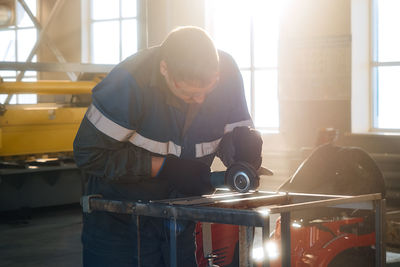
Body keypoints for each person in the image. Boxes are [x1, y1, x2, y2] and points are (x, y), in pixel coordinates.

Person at [73, 26, 263, 267]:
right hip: (120, 221)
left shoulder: (227, 73)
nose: (200, 100)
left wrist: (243, 153)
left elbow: (233, 131)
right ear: (165, 70)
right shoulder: (128, 84)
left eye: (207, 90)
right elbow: (88, 153)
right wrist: (164, 168)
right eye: (190, 94)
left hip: (181, 216)